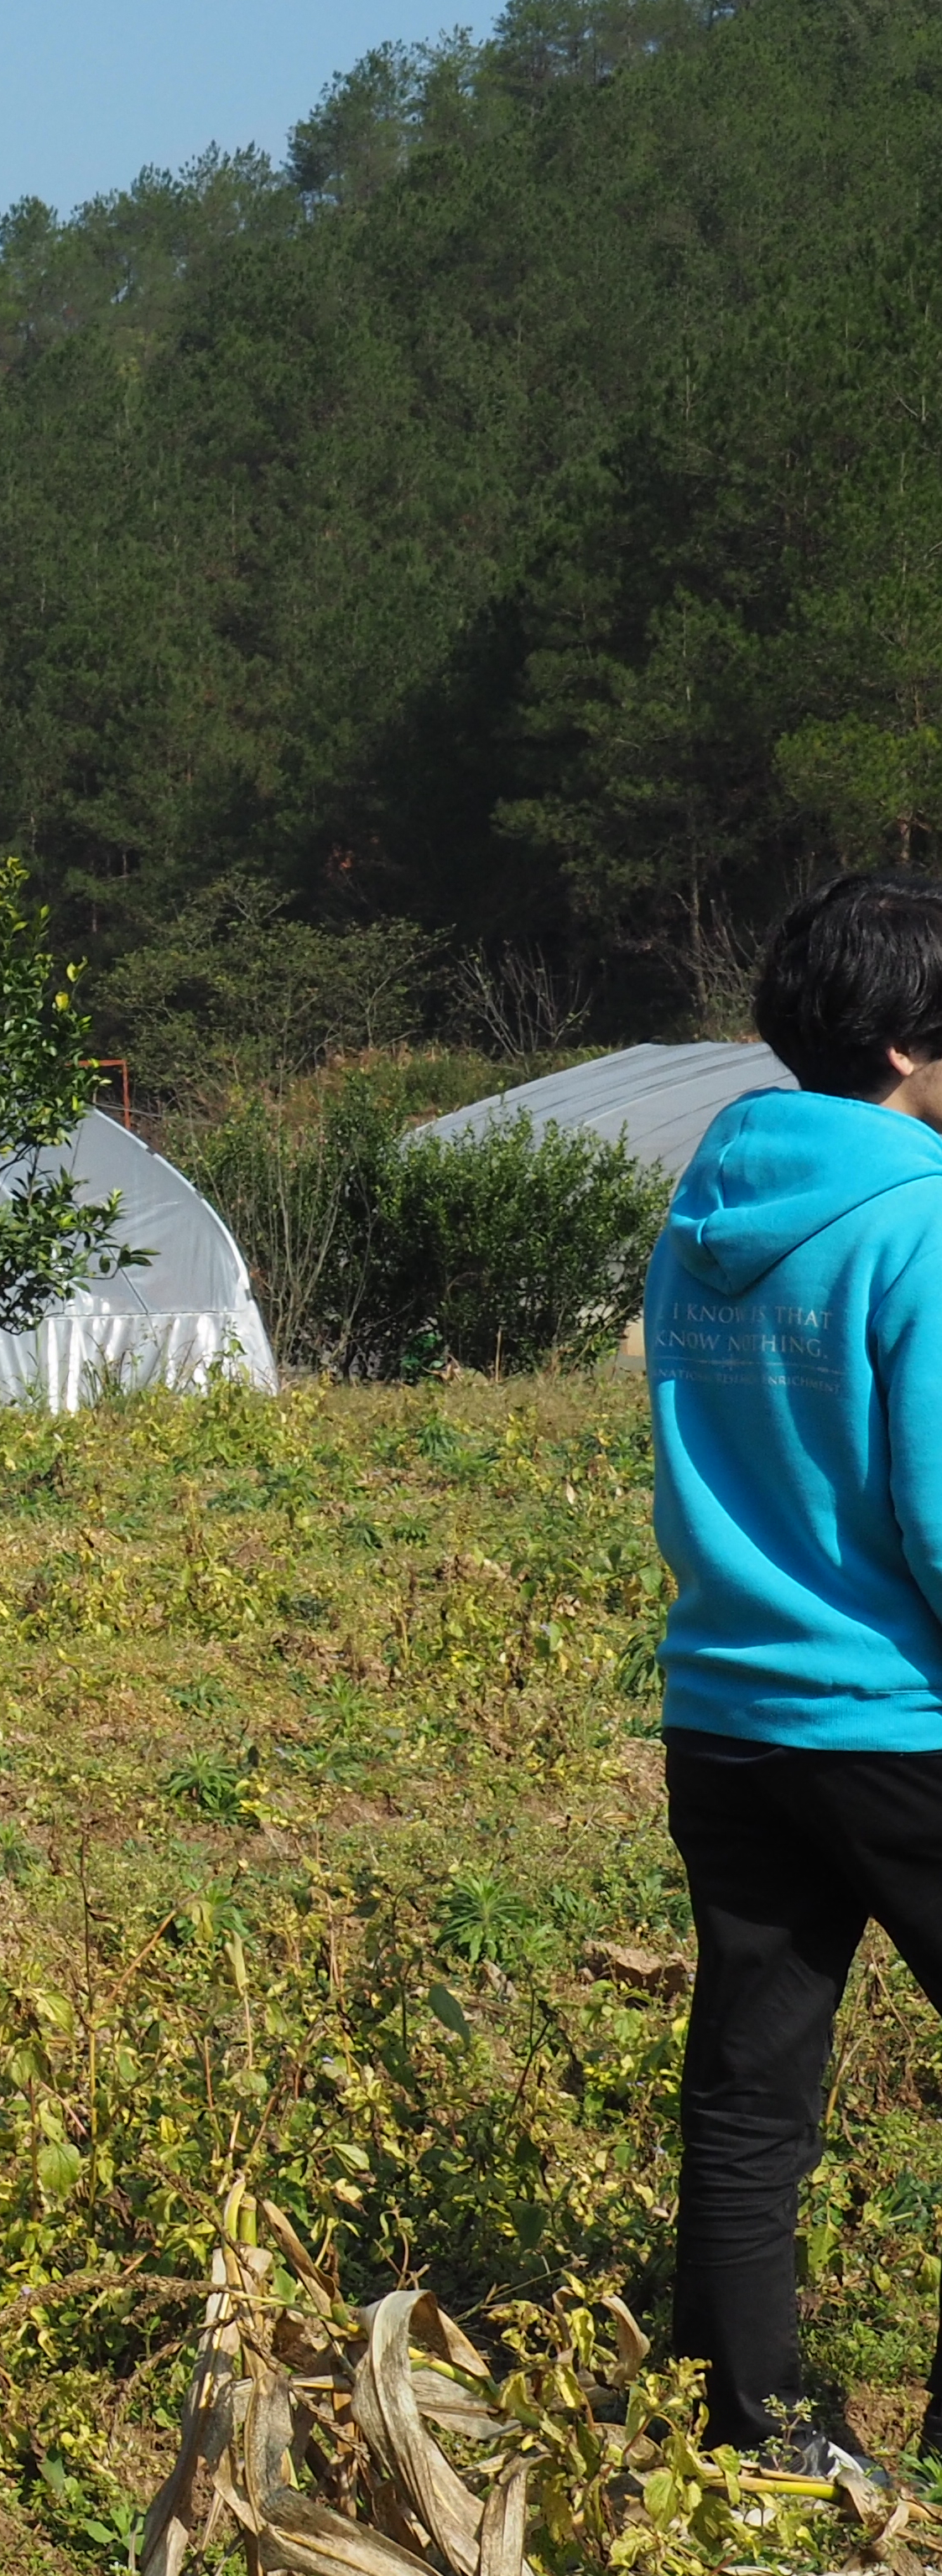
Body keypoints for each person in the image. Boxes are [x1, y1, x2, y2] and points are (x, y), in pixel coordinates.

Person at [650, 867, 942, 2472]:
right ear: (905, 1047)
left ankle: (753, 2431)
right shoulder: (924, 1221)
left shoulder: (701, 1218)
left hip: (730, 1710)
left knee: (755, 2082)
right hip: (905, 1720)